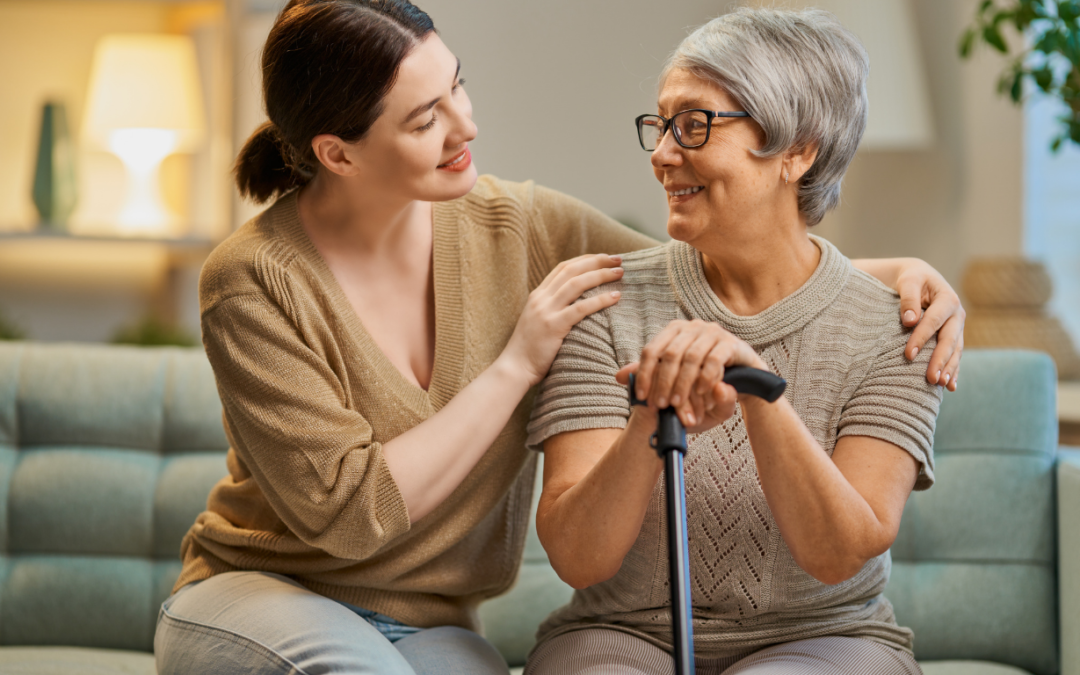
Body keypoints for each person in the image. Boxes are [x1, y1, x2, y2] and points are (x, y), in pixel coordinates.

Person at [153, 2, 963, 674]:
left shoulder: (520, 225)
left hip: (435, 619)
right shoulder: (252, 280)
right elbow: (352, 517)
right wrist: (517, 362)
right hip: (272, 587)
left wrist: (895, 276)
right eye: (426, 116)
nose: (465, 123)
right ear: (339, 152)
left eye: (457, 86)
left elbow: (709, 260)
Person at [527, 8, 943, 675]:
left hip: (826, 637)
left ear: (799, 149)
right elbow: (579, 557)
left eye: (694, 124)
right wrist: (648, 415)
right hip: (621, 635)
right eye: (661, 124)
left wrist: (759, 390)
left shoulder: (899, 325)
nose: (663, 152)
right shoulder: (603, 305)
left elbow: (841, 553)